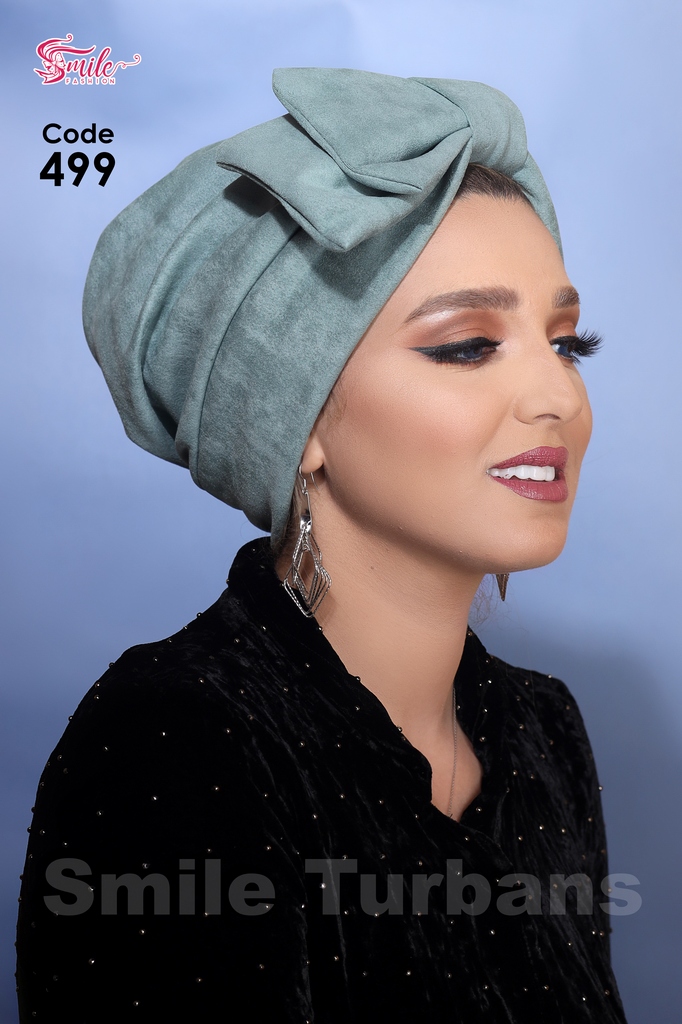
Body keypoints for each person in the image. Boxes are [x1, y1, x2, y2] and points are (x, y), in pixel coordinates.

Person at [16, 67, 628, 1022]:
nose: (559, 396)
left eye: (565, 342)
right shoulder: (174, 743)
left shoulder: (542, 730)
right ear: (291, 416)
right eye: (467, 346)